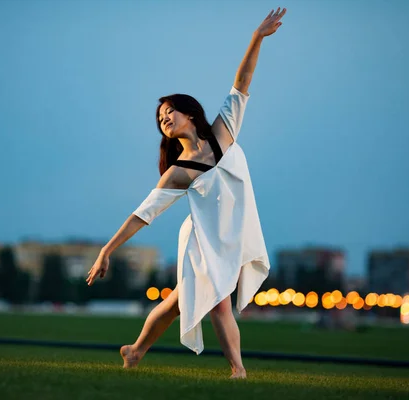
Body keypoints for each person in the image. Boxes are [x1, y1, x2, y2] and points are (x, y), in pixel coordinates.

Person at [86, 7, 287, 379]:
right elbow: (141, 215)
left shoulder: (223, 131)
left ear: (189, 114)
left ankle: (134, 351)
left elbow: (242, 81)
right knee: (219, 304)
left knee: (177, 303)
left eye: (170, 111)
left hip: (232, 235)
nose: (164, 118)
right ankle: (238, 371)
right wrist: (106, 250)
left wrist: (257, 37)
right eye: (160, 118)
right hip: (203, 242)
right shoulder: (178, 174)